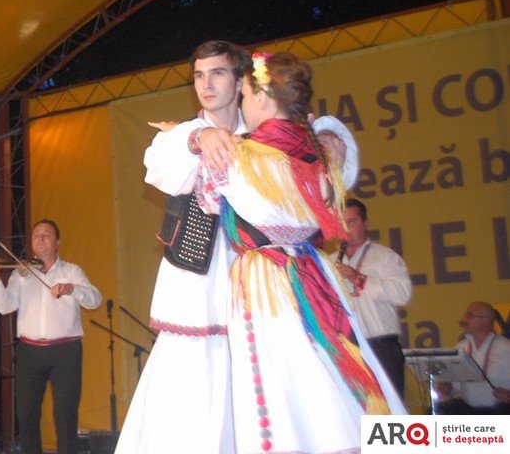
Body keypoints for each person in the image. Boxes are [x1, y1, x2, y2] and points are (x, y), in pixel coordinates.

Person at [118, 40, 359, 454]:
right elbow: (160, 167)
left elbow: (319, 150)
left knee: (277, 386)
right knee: (193, 389)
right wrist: (199, 135)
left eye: (217, 73)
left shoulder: (267, 134)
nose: (206, 84)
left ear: (241, 81)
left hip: (265, 287)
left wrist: (328, 132)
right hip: (199, 286)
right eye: (198, 75)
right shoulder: (185, 136)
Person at [207, 51, 403, 451]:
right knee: (327, 363)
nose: (241, 106)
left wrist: (196, 136)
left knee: (282, 382)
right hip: (314, 270)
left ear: (264, 99)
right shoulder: (322, 152)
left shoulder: (241, 155)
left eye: (245, 96)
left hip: (266, 277)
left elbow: (197, 187)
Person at [0, 219, 101, 454]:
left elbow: (95, 299)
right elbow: (6, 307)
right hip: (29, 352)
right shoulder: (22, 273)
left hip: (66, 351)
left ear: (57, 243)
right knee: (27, 415)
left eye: (47, 235)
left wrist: (71, 288)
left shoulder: (71, 271)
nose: (40, 238)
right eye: (36, 235)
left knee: (65, 414)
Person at [334, 198, 413, 396]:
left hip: (381, 346)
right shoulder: (330, 260)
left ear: (365, 224)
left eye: (352, 222)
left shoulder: (385, 257)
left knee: (388, 407)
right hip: (346, 347)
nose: (346, 229)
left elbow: (403, 294)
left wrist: (359, 278)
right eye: (342, 223)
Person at [435, 301, 510, 413]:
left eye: (470, 316)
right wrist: (448, 388)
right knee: (435, 411)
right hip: (467, 409)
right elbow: (455, 387)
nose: (464, 320)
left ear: (485, 320)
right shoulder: (460, 348)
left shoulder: (505, 348)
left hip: (498, 411)